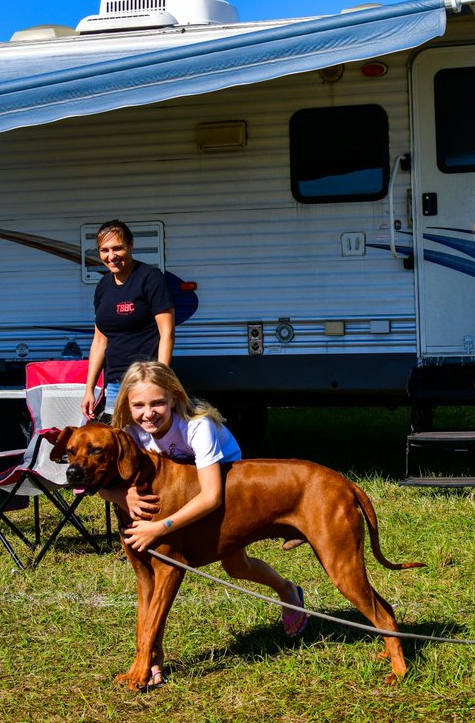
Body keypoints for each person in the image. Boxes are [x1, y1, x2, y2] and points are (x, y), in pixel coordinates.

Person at [101, 361, 307, 686]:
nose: (148, 413)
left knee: (235, 565)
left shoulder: (197, 426)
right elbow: (100, 476)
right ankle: (152, 660)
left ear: (173, 398)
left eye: (157, 403)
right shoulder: (131, 434)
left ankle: (287, 590)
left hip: (224, 485)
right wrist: (119, 497)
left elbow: (211, 496)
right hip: (174, 489)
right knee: (161, 570)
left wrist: (159, 527)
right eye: (138, 405)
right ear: (126, 404)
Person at [82, 220, 175, 421]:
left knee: (149, 445)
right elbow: (99, 342)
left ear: (131, 245)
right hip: (114, 383)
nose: (111, 256)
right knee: (120, 446)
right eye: (104, 250)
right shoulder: (103, 286)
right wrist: (90, 389)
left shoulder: (150, 278)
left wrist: (160, 380)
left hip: (145, 381)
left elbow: (166, 333)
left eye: (118, 248)